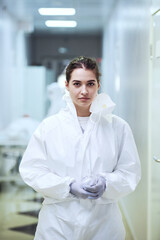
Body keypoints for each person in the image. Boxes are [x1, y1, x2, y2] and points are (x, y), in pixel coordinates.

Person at [19, 56, 141, 240]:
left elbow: (130, 171)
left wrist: (107, 182)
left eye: (90, 83)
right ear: (67, 85)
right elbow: (32, 170)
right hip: (57, 222)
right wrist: (67, 186)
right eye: (77, 84)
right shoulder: (49, 127)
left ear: (98, 85)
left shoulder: (117, 127)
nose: (84, 91)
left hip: (104, 223)